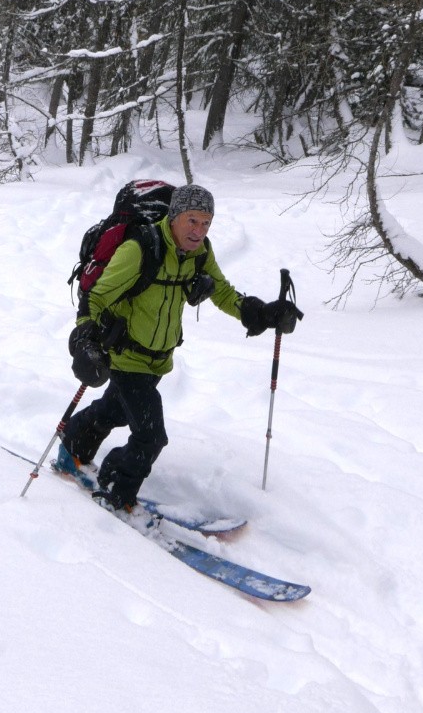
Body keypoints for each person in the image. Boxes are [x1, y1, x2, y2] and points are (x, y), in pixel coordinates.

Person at [55, 183, 301, 510]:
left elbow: (224, 293)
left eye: (206, 223)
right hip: (127, 355)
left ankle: (74, 444)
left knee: (116, 409)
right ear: (174, 216)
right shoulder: (140, 248)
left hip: (158, 357)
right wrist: (85, 338)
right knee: (150, 436)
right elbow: (97, 296)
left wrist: (260, 313)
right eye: (192, 221)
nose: (199, 231)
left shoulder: (199, 253)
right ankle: (117, 488)